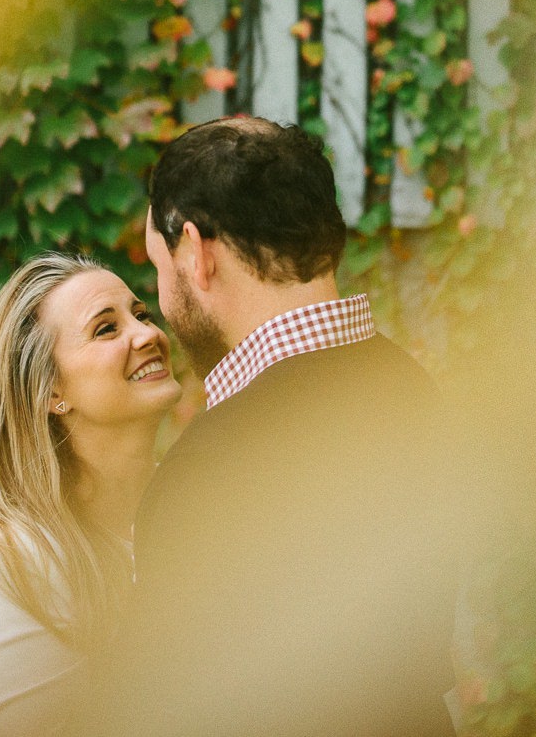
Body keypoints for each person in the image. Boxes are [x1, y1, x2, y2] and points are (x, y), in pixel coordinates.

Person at [101, 115, 459, 737]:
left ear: (195, 251)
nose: (161, 299)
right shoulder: (406, 383)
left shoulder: (209, 474)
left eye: (160, 268)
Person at [0, 253, 183, 737]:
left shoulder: (200, 494)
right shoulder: (10, 562)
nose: (148, 334)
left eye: (141, 314)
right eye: (106, 329)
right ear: (50, 392)